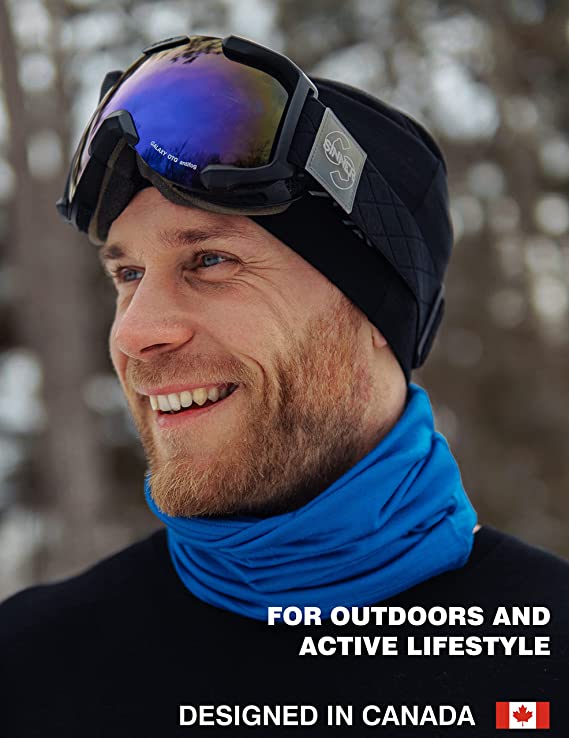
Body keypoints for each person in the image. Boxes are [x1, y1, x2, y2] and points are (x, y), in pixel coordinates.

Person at [0, 34, 567, 737]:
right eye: (128, 274)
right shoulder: (27, 668)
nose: (134, 332)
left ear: (373, 311)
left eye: (210, 260)